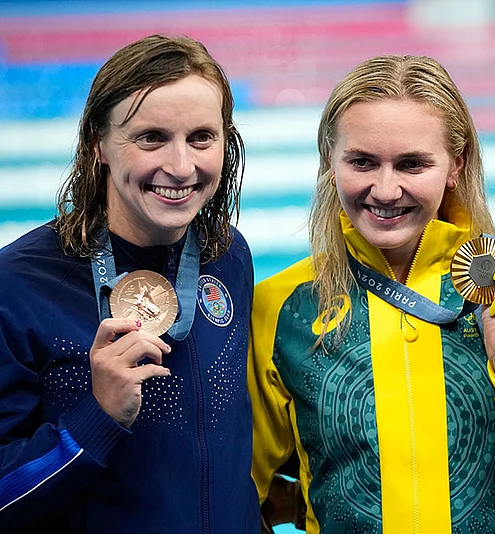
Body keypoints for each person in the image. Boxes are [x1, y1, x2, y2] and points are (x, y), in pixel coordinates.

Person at [249, 54, 495, 534]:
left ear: (455, 165)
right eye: (362, 162)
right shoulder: (283, 308)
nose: (386, 190)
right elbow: (235, 495)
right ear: (330, 162)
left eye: (412, 164)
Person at [0, 35, 260, 532]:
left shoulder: (228, 255)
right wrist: (96, 417)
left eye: (202, 137)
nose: (182, 167)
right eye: (151, 138)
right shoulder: (18, 286)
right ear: (98, 143)